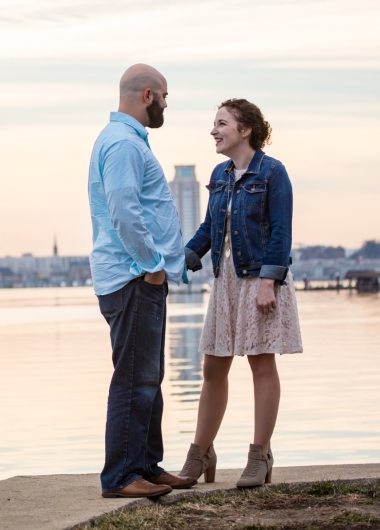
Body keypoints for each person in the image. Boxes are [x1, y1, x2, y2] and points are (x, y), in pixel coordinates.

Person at [179, 99, 303, 488]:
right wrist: (182, 257)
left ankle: (260, 454)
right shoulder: (219, 174)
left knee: (261, 365)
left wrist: (269, 282)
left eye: (221, 123)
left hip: (260, 279)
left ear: (245, 129)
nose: (213, 131)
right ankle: (201, 453)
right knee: (212, 368)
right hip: (226, 281)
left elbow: (281, 232)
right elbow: (209, 227)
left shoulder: (272, 172)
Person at [87, 64, 197, 498]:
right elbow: (123, 209)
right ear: (148, 95)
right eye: (166, 96)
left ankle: (147, 466)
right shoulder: (122, 144)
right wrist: (151, 264)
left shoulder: (126, 142)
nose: (168, 104)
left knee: (148, 376)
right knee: (134, 378)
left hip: (140, 277)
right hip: (134, 277)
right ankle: (120, 477)